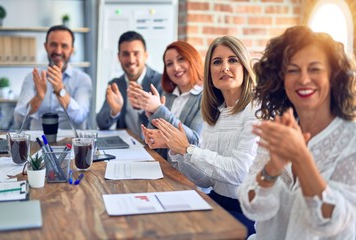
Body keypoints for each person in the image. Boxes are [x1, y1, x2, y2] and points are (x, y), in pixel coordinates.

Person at [237, 26, 356, 239]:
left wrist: (301, 157)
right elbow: (252, 206)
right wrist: (274, 166)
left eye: (315, 69)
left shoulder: (351, 139)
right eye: (293, 70)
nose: (303, 79)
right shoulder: (279, 130)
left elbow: (333, 222)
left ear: (333, 76)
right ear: (280, 80)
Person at [152, 36, 259, 236]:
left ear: (244, 66)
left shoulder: (255, 110)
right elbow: (205, 181)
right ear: (209, 73)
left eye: (233, 60)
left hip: (247, 213)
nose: (225, 67)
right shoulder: (214, 113)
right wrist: (179, 152)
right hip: (217, 203)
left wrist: (188, 149)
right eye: (217, 62)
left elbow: (240, 172)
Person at [129, 41, 204, 159]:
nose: (175, 67)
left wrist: (159, 110)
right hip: (165, 165)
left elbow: (194, 142)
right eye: (169, 64)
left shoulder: (205, 97)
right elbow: (152, 142)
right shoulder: (168, 94)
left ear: (193, 59)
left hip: (187, 172)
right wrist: (152, 117)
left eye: (181, 59)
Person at [14, 25, 92, 130]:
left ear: (72, 50)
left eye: (64, 46)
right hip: (38, 141)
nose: (58, 51)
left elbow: (80, 118)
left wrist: (60, 90)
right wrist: (38, 97)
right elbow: (18, 121)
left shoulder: (83, 79)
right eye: (53, 44)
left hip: (71, 141)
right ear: (46, 46)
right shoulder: (33, 77)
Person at [96, 31, 162, 138]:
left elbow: (165, 126)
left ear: (146, 55)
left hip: (152, 149)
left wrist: (142, 107)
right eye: (125, 54)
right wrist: (114, 111)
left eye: (136, 53)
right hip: (125, 146)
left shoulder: (160, 82)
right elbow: (101, 123)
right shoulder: (115, 84)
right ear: (119, 57)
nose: (131, 60)